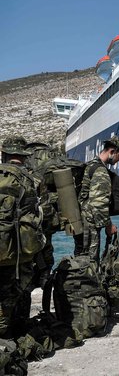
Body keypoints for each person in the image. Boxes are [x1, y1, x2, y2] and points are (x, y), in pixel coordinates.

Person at [0, 136, 43, 339]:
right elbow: (41, 214)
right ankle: (13, 335)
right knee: (18, 292)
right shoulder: (30, 179)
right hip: (19, 251)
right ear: (24, 157)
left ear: (4, 154)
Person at [76, 135, 119, 264]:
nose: (118, 160)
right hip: (90, 224)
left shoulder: (90, 165)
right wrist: (109, 226)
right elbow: (99, 204)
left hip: (81, 221)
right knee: (90, 263)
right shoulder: (100, 171)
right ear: (112, 152)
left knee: (80, 259)